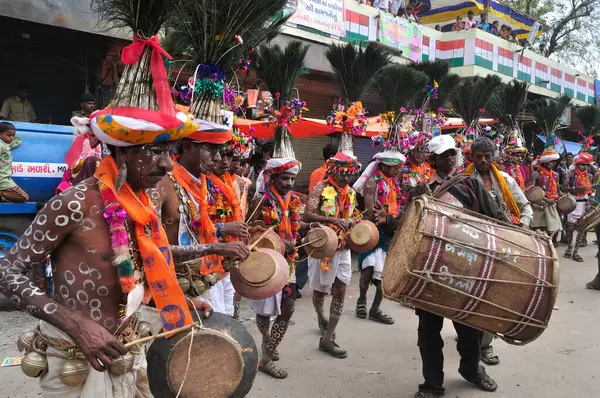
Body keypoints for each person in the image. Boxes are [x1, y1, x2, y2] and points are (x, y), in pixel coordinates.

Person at [0, 109, 211, 396]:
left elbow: (143, 262)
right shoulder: (73, 204)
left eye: (169, 152)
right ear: (123, 154)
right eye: (155, 151)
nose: (167, 164)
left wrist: (173, 300)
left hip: (129, 349)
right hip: (74, 356)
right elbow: (6, 272)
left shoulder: (142, 204)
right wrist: (77, 326)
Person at [409, 135, 501, 398]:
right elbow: (408, 227)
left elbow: (495, 215)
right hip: (430, 271)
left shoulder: (470, 184)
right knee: (428, 333)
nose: (449, 159)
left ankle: (472, 371)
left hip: (466, 267)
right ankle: (432, 385)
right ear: (433, 159)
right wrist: (387, 220)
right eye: (443, 155)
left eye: (452, 154)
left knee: (470, 329)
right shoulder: (421, 189)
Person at [146, 128, 252, 326]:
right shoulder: (163, 184)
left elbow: (199, 233)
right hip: (172, 288)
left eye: (220, 152)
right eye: (211, 151)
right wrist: (214, 248)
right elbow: (150, 249)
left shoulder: (202, 185)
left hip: (202, 283)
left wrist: (223, 253)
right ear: (187, 147)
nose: (219, 158)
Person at [247, 157, 304, 379]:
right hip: (267, 263)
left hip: (288, 262)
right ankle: (267, 342)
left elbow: (296, 224)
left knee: (288, 306)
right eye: (285, 178)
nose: (289, 183)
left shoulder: (293, 200)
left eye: (292, 178)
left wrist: (310, 226)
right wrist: (275, 238)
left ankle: (267, 357)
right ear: (273, 177)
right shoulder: (261, 201)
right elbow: (250, 230)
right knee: (265, 311)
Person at [304, 153, 362, 358]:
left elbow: (352, 213)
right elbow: (307, 214)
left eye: (350, 175)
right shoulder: (321, 187)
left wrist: (355, 221)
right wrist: (333, 220)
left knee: (340, 289)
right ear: (333, 171)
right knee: (319, 290)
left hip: (343, 247)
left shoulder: (351, 192)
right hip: (322, 246)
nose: (346, 179)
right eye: (342, 174)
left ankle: (328, 339)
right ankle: (321, 316)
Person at [353, 150, 405, 325]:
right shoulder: (371, 183)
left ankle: (375, 309)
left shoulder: (393, 182)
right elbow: (370, 211)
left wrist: (391, 220)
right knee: (368, 270)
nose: (397, 170)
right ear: (382, 165)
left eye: (398, 167)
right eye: (393, 167)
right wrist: (384, 218)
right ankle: (361, 300)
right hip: (374, 231)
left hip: (389, 230)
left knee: (385, 274)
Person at [564, 152, 594, 261]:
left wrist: (589, 202)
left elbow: (590, 192)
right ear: (577, 165)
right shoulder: (571, 174)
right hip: (573, 203)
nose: (584, 167)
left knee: (582, 229)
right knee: (571, 228)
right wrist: (575, 189)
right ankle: (569, 248)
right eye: (582, 165)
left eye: (586, 165)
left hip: (584, 204)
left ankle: (575, 252)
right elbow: (563, 188)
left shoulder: (589, 176)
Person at [531, 146, 563, 237]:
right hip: (539, 205)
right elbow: (531, 192)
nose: (553, 164)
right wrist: (545, 199)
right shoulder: (536, 174)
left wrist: (564, 196)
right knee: (538, 229)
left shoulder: (556, 175)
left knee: (553, 229)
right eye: (551, 162)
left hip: (552, 204)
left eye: (554, 162)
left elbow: (558, 191)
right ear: (545, 162)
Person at [0, 122, 28, 202]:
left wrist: (11, 137)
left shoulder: (6, 144)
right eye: (9, 135)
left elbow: (17, 140)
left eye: (13, 135)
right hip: (2, 180)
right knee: (23, 197)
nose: (12, 138)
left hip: (5, 179)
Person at [399, 136, 432, 204]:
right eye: (420, 151)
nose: (424, 155)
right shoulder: (402, 169)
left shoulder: (426, 167)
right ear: (411, 152)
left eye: (425, 152)